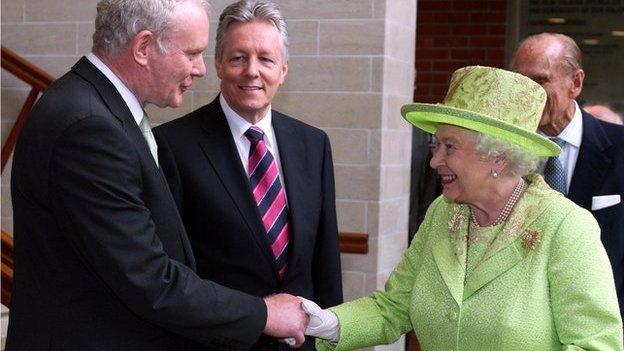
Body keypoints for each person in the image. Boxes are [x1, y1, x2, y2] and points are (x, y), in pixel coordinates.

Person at [6, 1, 308, 350]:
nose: (200, 69)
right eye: (192, 53)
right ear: (144, 47)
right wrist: (264, 313)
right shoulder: (89, 127)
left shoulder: (96, 108)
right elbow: (149, 279)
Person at [301, 66, 624, 350]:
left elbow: (596, 345)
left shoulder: (565, 226)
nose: (434, 160)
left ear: (498, 157)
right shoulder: (443, 213)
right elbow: (395, 306)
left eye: (449, 146)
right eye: (436, 145)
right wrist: (325, 323)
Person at [154, 1, 343, 349]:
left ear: (283, 70)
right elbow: (172, 272)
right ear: (218, 65)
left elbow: (325, 265)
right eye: (239, 57)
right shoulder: (172, 146)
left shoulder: (314, 145)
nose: (252, 71)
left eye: (266, 59)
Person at [511, 32, 624, 319]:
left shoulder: (620, 149)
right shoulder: (500, 151)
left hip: (600, 322)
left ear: (575, 83)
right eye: (519, 80)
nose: (526, 92)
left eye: (539, 80)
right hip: (520, 323)